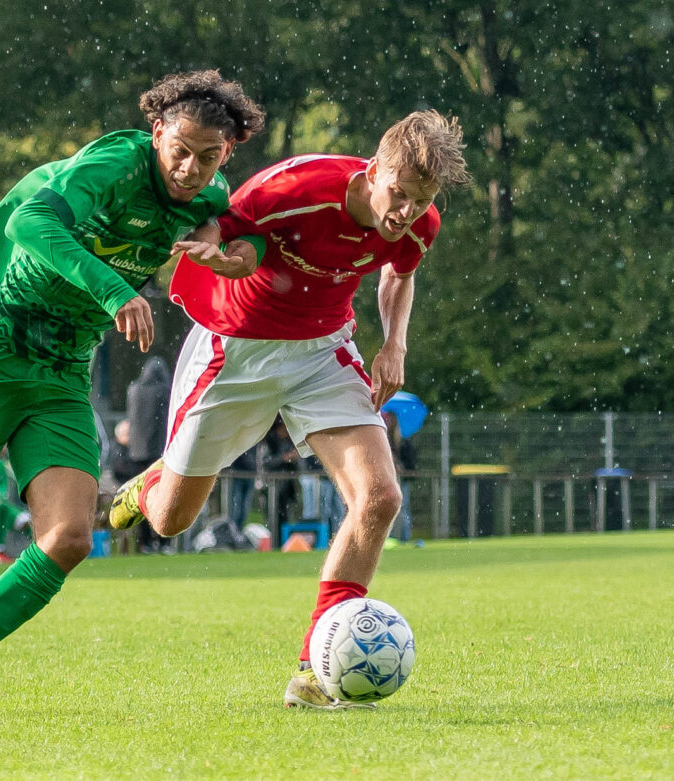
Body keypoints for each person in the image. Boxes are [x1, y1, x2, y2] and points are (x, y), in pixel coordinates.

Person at [0, 70, 265, 717]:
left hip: (64, 371)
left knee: (69, 537)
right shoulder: (117, 163)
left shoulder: (209, 191)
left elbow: (241, 227)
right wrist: (116, 290)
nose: (189, 168)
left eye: (208, 157)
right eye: (180, 149)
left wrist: (228, 246)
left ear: (227, 153)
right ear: (157, 131)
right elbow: (30, 221)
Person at [110, 110, 471, 710]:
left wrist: (395, 344)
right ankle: (150, 485)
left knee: (379, 498)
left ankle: (315, 666)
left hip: (323, 350)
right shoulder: (297, 187)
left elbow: (398, 274)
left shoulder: (419, 223)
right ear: (373, 171)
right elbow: (219, 222)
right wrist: (215, 249)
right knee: (171, 519)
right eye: (400, 193)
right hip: (236, 349)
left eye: (422, 200)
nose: (407, 211)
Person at [126, 356, 173, 553]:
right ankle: (163, 541)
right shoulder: (165, 390)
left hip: (137, 454)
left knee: (142, 497)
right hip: (159, 453)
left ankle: (144, 542)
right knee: (164, 496)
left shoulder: (134, 390)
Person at [383, 410, 417, 542]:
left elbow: (410, 463)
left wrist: (399, 465)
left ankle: (404, 537)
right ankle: (389, 536)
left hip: (402, 480)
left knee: (403, 507)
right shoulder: (384, 441)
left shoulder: (403, 442)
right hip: (389, 479)